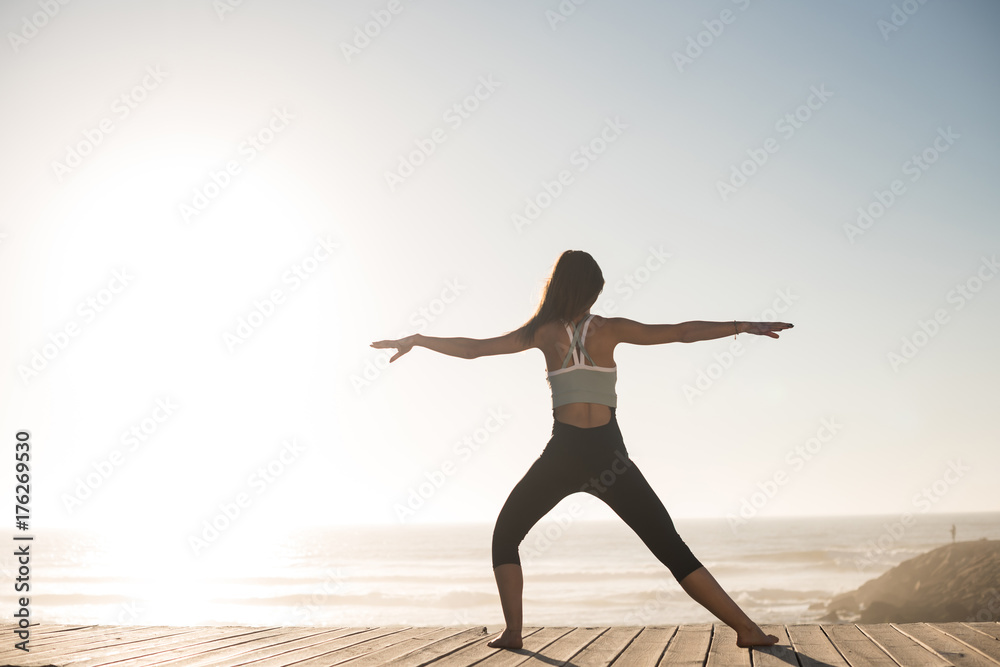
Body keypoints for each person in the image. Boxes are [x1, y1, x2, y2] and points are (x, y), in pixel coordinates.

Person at [371, 250, 793, 649]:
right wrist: (742, 326)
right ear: (589, 290)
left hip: (564, 455)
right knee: (671, 547)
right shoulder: (612, 328)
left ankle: (514, 633)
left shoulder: (542, 333)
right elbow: (683, 333)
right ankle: (747, 629)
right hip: (609, 456)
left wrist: (418, 339)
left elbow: (472, 350)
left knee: (506, 537)